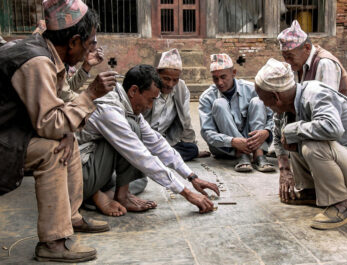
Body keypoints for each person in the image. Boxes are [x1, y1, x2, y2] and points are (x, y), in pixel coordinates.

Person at [0, 0, 118, 262]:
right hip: (6, 139)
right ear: (74, 41)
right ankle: (52, 242)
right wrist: (91, 94)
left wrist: (67, 128)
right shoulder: (37, 61)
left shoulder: (48, 54)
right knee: (54, 150)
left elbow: (60, 105)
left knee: (67, 139)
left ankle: (69, 218)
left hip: (13, 132)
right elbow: (50, 123)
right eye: (88, 44)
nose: (88, 50)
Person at [77, 64, 220, 217]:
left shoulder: (127, 104)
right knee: (133, 135)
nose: (149, 106)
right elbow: (140, 155)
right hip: (78, 176)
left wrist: (192, 177)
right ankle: (97, 195)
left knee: (139, 181)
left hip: (97, 168)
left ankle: (108, 194)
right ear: (133, 91)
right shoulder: (110, 110)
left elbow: (156, 142)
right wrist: (187, 193)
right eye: (150, 99)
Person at [255, 58, 347, 230]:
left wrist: (293, 130)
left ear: (276, 96)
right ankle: (312, 191)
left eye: (264, 100)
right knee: (293, 135)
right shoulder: (285, 107)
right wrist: (284, 169)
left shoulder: (316, 94)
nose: (264, 104)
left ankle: (341, 205)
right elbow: (279, 136)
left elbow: (333, 128)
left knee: (310, 143)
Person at [199, 53, 274, 172]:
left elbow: (273, 117)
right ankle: (241, 155)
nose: (219, 82)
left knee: (258, 101)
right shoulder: (207, 97)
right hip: (226, 148)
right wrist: (232, 142)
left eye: (223, 77)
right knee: (219, 103)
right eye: (215, 78)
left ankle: (259, 154)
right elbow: (207, 132)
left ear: (234, 73)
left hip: (254, 143)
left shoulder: (252, 89)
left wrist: (267, 131)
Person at [277, 20, 347, 110]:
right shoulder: (300, 64)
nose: (288, 62)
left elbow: (327, 107)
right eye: (285, 57)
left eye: (290, 57)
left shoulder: (325, 63)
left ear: (307, 48)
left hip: (342, 121)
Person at [144, 48, 210, 161]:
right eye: (166, 78)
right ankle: (156, 157)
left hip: (164, 141)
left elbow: (185, 118)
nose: (170, 84)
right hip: (143, 138)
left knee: (191, 149)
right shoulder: (148, 86)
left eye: (175, 80)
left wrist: (191, 144)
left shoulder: (181, 88)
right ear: (157, 73)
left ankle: (153, 158)